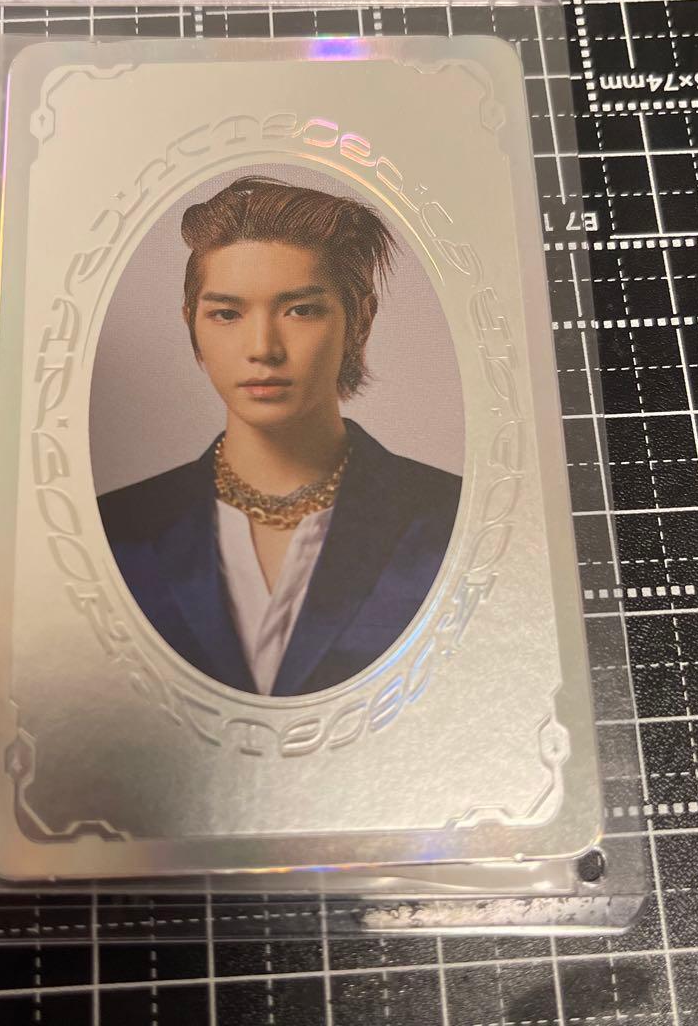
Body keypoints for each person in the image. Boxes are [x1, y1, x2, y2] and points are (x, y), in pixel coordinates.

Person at [97, 176, 461, 697]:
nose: (263, 348)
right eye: (226, 314)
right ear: (192, 324)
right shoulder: (116, 531)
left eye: (300, 310)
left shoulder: (451, 519)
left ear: (360, 320)